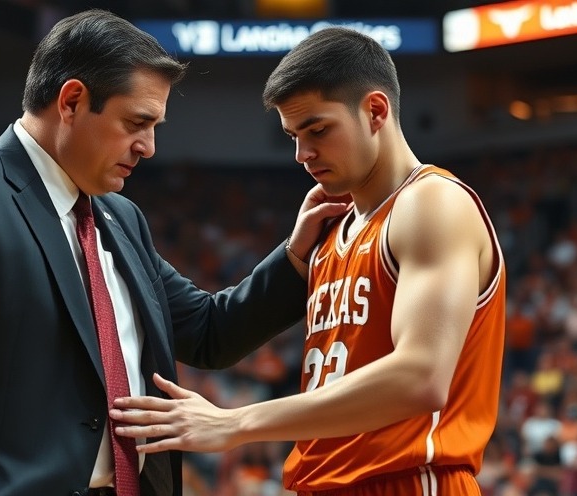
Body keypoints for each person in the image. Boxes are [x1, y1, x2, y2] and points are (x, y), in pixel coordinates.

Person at [0, 8, 345, 496]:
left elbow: (209, 332)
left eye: (155, 128)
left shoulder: (121, 218)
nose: (148, 146)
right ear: (71, 102)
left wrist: (296, 256)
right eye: (136, 123)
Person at [112, 27, 507, 495]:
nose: (303, 155)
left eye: (318, 130)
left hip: (406, 481)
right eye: (293, 136)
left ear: (375, 111)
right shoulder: (328, 231)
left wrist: (236, 422)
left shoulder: (431, 202)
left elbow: (421, 376)